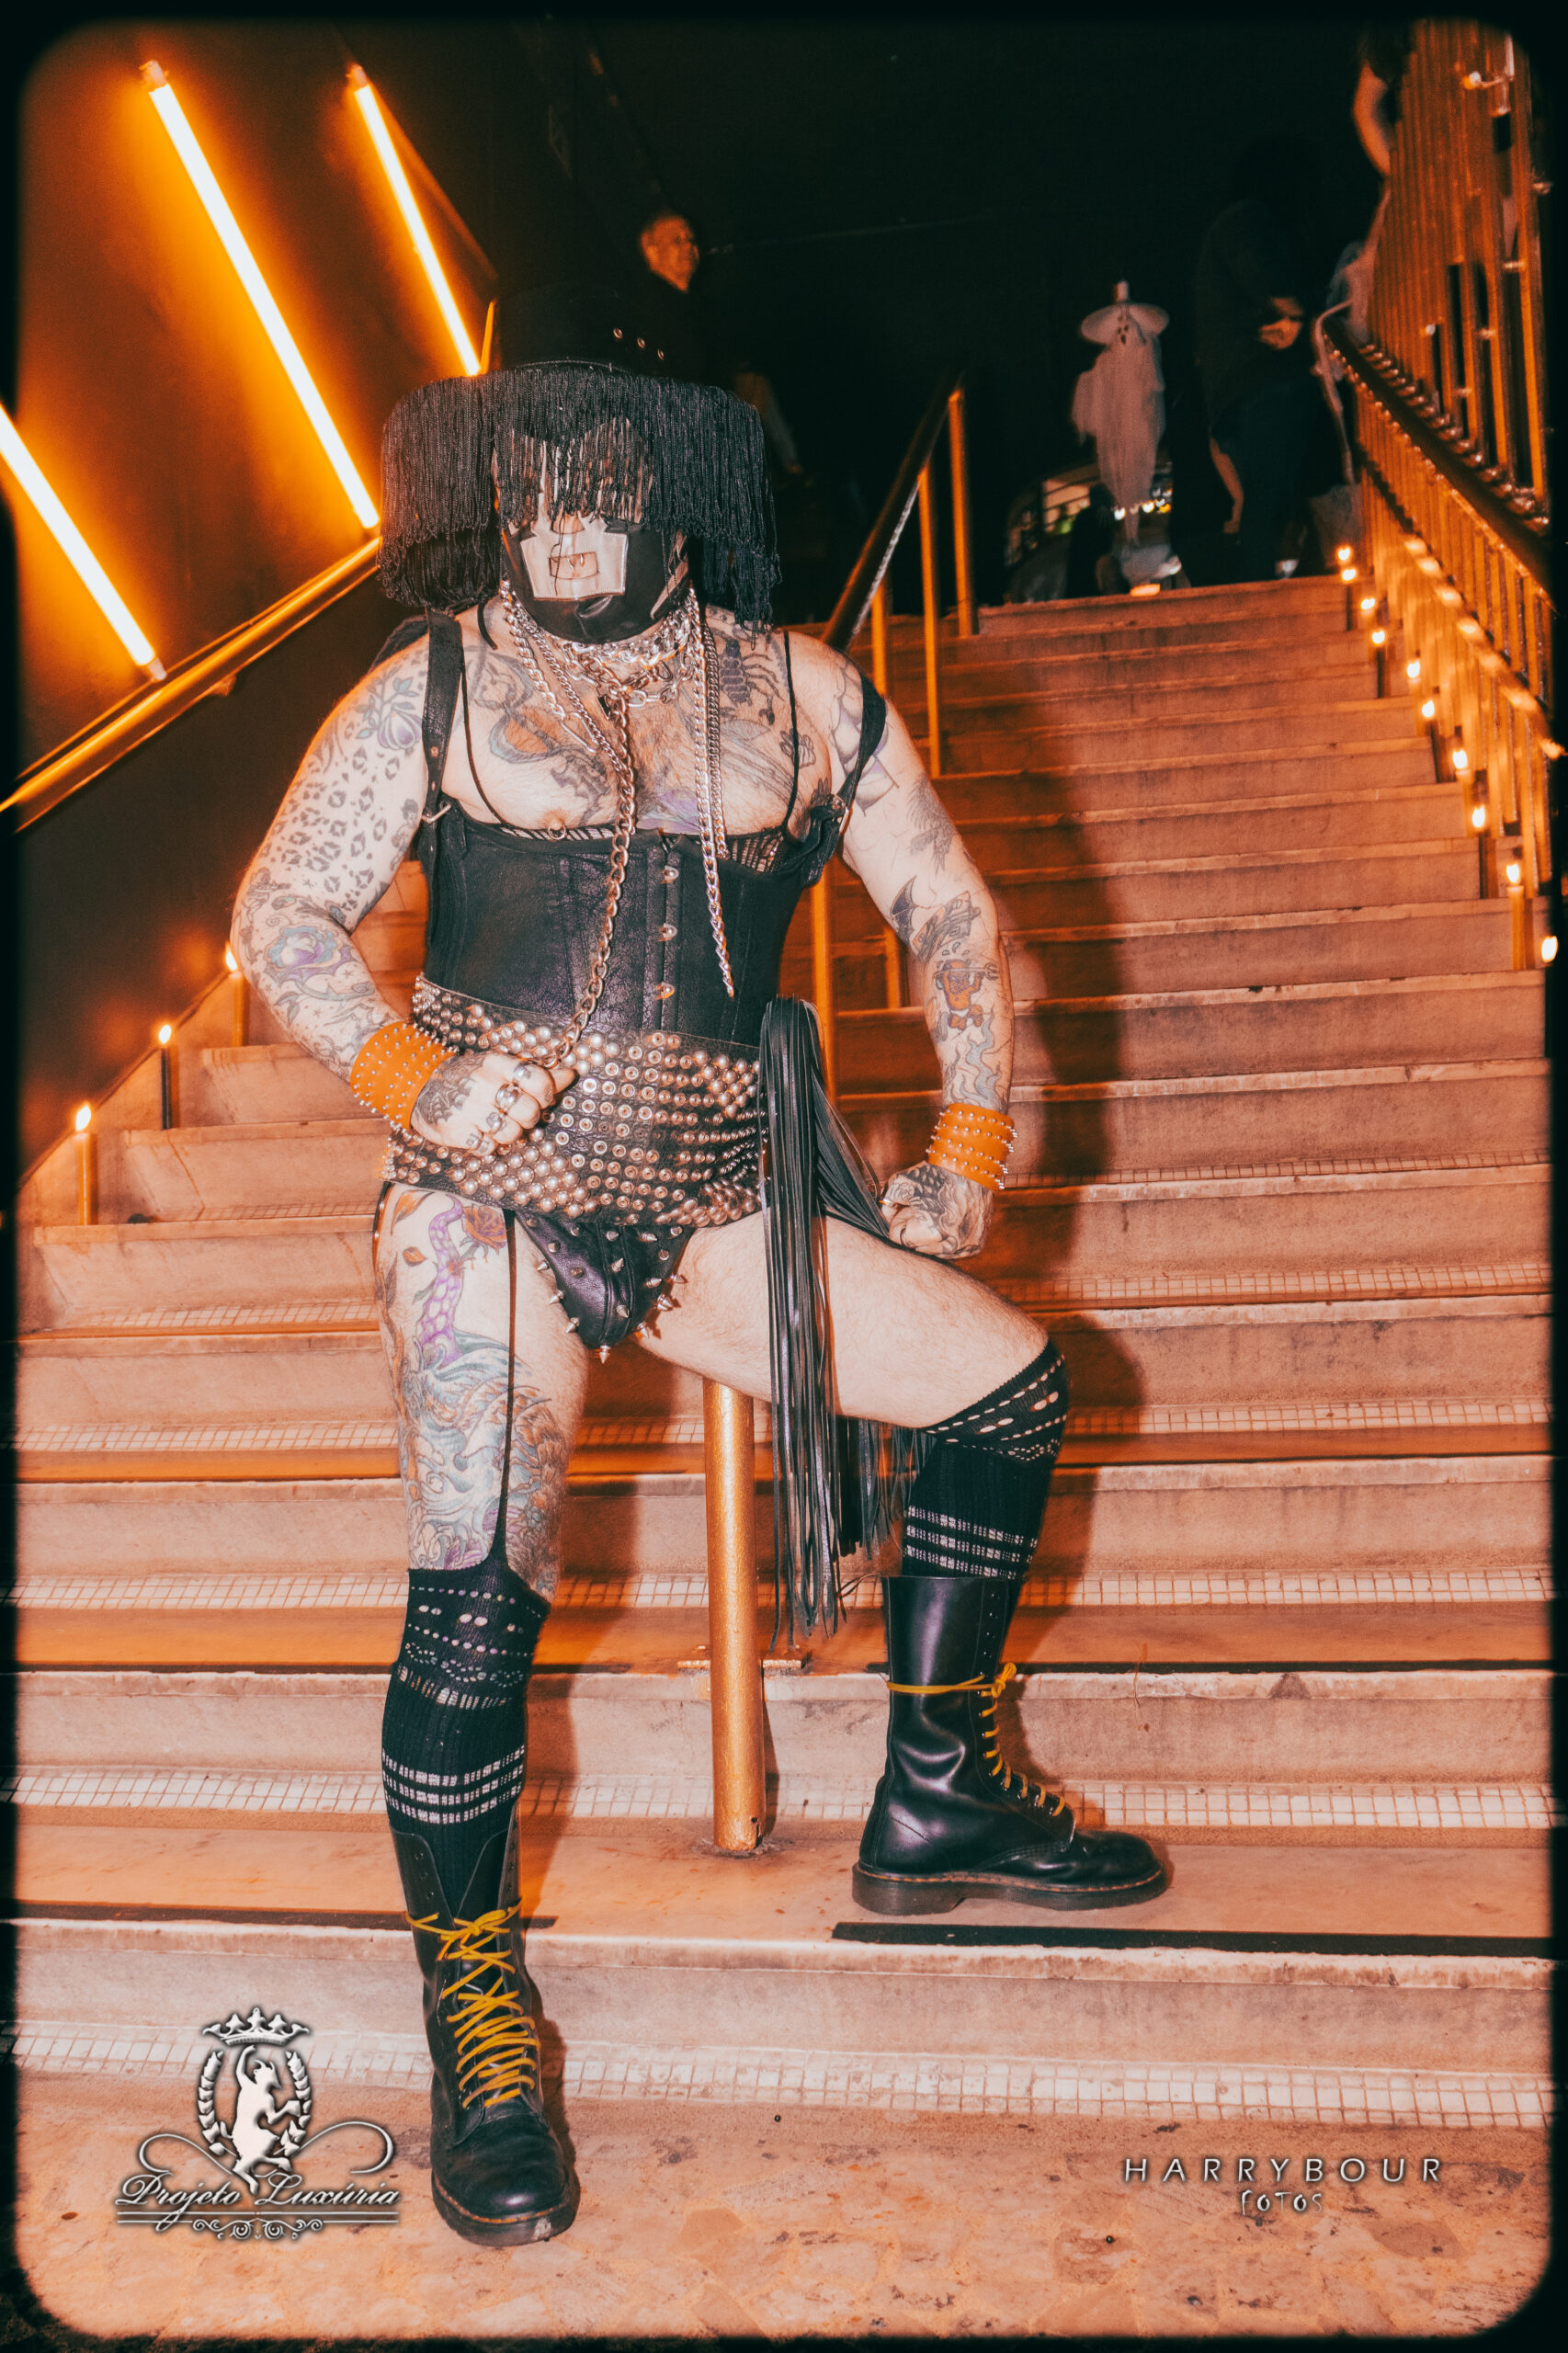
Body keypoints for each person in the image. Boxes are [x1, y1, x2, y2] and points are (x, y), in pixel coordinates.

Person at [232, 284, 1165, 2247]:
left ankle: (940, 1779)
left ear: (669, 492)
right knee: (479, 1591)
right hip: (486, 1205)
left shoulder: (802, 692)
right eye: (527, 491)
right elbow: (282, 914)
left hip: (715, 1205)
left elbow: (955, 921)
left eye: (596, 487)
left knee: (1009, 1390)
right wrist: (409, 1071)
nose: (557, 526)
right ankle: (477, 2023)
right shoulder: (432, 686)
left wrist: (969, 1142)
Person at [1194, 139, 1327, 583]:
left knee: (1268, 495)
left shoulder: (1228, 226)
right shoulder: (1246, 218)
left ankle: (1273, 579)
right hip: (1262, 383)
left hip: (1237, 390)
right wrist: (1298, 313)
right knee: (1270, 497)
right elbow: (1260, 272)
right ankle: (1260, 587)